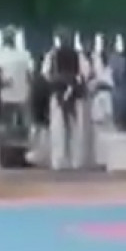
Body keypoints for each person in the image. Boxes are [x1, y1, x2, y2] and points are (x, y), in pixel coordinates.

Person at [41, 28, 90, 171]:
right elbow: (46, 74)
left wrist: (72, 82)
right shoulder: (53, 55)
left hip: (72, 94)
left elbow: (85, 73)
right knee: (60, 128)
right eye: (63, 37)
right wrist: (60, 81)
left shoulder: (76, 55)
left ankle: (74, 160)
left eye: (67, 36)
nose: (65, 39)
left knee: (74, 128)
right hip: (60, 93)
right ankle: (61, 160)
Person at [0, 26, 33, 157]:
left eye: (11, 35)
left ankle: (25, 153)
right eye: (7, 35)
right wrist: (1, 82)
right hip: (5, 95)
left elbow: (30, 74)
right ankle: (3, 153)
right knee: (4, 124)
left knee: (25, 125)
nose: (9, 37)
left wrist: (30, 91)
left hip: (22, 94)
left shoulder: (24, 54)